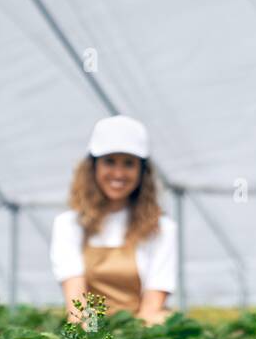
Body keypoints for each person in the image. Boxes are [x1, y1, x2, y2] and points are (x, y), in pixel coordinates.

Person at [50, 115, 175, 327]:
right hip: (91, 331)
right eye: (109, 162)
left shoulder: (161, 229)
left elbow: (151, 307)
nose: (118, 173)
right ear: (93, 167)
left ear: (142, 172)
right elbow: (77, 307)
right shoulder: (68, 225)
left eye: (129, 164)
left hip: (142, 332)